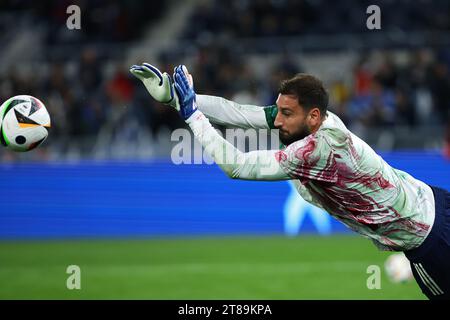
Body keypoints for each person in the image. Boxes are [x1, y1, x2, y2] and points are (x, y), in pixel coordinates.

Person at [130, 63, 450, 300]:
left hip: (427, 240)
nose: (277, 120)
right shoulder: (320, 121)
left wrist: (192, 116)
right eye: (278, 111)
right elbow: (241, 114)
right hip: (435, 201)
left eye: (286, 113)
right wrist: (176, 97)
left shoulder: (315, 150)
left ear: (312, 116)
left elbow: (239, 167)